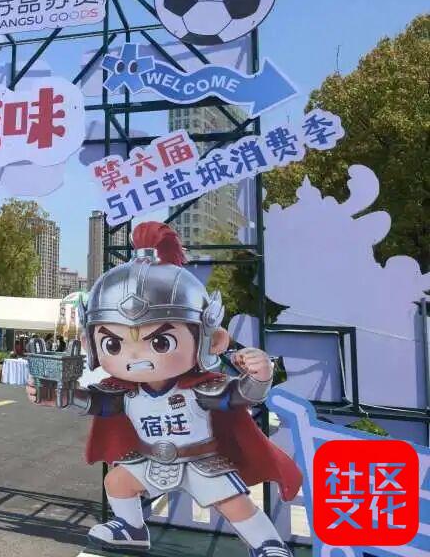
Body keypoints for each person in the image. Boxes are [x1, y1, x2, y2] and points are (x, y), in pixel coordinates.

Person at [26, 221, 300, 557]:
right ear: (91, 344)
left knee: (233, 502)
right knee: (116, 482)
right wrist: (60, 395)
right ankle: (131, 529)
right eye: (114, 343)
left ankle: (268, 544)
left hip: (200, 459)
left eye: (160, 341)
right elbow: (97, 404)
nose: (136, 357)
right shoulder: (126, 392)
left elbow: (241, 396)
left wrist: (259, 376)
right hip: (149, 459)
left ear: (211, 340)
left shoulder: (200, 388)